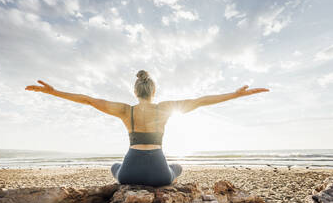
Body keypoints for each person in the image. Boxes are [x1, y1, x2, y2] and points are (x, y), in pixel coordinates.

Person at [25, 70, 269, 187]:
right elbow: (202, 100)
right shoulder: (164, 108)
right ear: (154, 92)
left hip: (128, 173)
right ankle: (167, 173)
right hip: (160, 175)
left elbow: (87, 99)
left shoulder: (125, 110)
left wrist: (53, 92)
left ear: (135, 92)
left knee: (114, 167)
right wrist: (235, 95)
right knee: (177, 167)